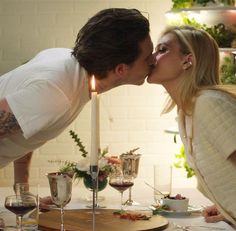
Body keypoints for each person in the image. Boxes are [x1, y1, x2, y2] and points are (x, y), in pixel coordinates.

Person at [0, 8, 154, 192]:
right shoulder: (57, 93)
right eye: (147, 57)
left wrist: (23, 195)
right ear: (121, 69)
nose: (154, 61)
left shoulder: (64, 58)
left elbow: (28, 125)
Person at [147, 26, 236, 226]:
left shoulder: (208, 104)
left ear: (187, 60)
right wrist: (227, 210)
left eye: (162, 50)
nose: (151, 58)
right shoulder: (186, 112)